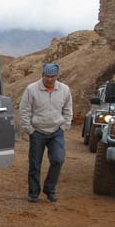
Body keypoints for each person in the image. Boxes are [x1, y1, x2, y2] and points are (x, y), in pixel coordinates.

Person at [19, 63, 73, 203]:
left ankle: (50, 190)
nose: (49, 79)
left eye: (53, 76)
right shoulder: (31, 89)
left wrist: (64, 126)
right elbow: (24, 110)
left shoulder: (64, 90)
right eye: (47, 76)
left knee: (58, 160)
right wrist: (29, 129)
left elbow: (68, 109)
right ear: (42, 75)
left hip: (56, 131)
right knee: (35, 163)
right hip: (37, 131)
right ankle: (33, 193)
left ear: (57, 76)